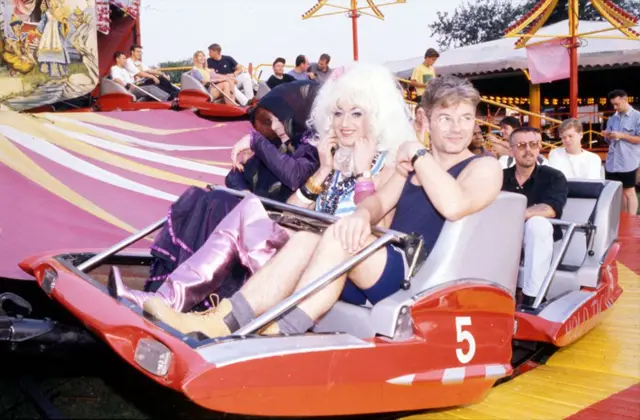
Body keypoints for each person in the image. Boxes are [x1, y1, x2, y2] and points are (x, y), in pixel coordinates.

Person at [142, 74, 504, 339]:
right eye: (446, 118)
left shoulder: (482, 167)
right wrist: (361, 216)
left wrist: (418, 154)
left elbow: (455, 205)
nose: (457, 129)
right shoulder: (408, 166)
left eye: (465, 119)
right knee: (307, 236)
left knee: (332, 235)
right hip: (375, 262)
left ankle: (279, 331)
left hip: (418, 276)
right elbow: (376, 205)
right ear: (427, 120)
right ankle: (223, 318)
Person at [111, 63, 414, 313]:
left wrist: (363, 172)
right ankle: (169, 300)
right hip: (303, 256)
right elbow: (290, 213)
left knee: (242, 213)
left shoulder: (386, 167)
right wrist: (323, 171)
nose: (345, 123)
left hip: (342, 270)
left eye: (356, 113)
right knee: (241, 208)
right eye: (338, 113)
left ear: (376, 117)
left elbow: (375, 232)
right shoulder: (334, 161)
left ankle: (191, 307)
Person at [139, 81, 322, 294]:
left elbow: (294, 176)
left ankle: (186, 292)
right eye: (269, 122)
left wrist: (255, 141)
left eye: (278, 120)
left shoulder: (312, 148)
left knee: (219, 203)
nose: (274, 128)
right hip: (258, 217)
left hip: (283, 226)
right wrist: (247, 195)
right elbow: (233, 176)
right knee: (203, 198)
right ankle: (173, 288)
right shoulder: (276, 146)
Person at [501, 127, 568, 306]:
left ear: (539, 147)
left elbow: (550, 209)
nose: (528, 150)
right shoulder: (499, 177)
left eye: (533, 144)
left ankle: (533, 298)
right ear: (511, 150)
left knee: (537, 223)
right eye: (522, 145)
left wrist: (515, 215)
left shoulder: (553, 177)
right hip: (505, 238)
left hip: (539, 239)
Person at [603, 89, 640, 214]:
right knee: (618, 193)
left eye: (617, 104)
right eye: (613, 104)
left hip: (628, 160)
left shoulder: (637, 117)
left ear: (625, 100)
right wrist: (607, 136)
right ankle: (623, 220)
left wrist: (622, 135)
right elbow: (609, 140)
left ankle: (632, 219)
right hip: (612, 161)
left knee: (629, 191)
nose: (615, 107)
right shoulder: (612, 118)